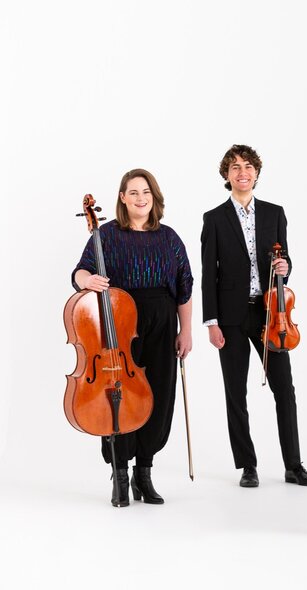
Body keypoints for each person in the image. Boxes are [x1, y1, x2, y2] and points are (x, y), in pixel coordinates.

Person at [73, 168, 193, 506]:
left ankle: (144, 474)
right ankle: (120, 474)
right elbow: (80, 270)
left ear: (154, 198)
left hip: (162, 323)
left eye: (146, 192)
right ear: (123, 198)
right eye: (134, 192)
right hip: (120, 323)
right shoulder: (107, 235)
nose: (141, 198)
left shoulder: (169, 238)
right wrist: (87, 281)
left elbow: (184, 287)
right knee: (119, 396)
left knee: (158, 393)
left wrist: (186, 331)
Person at [201, 144, 307, 488]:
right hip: (230, 317)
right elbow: (208, 274)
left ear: (256, 173)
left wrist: (285, 266)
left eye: (248, 166)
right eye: (235, 167)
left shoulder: (274, 213)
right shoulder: (214, 219)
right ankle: (247, 466)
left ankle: (293, 465)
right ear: (227, 174)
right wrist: (212, 322)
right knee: (235, 393)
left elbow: (285, 261)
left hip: (272, 314)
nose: (243, 172)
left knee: (285, 389)